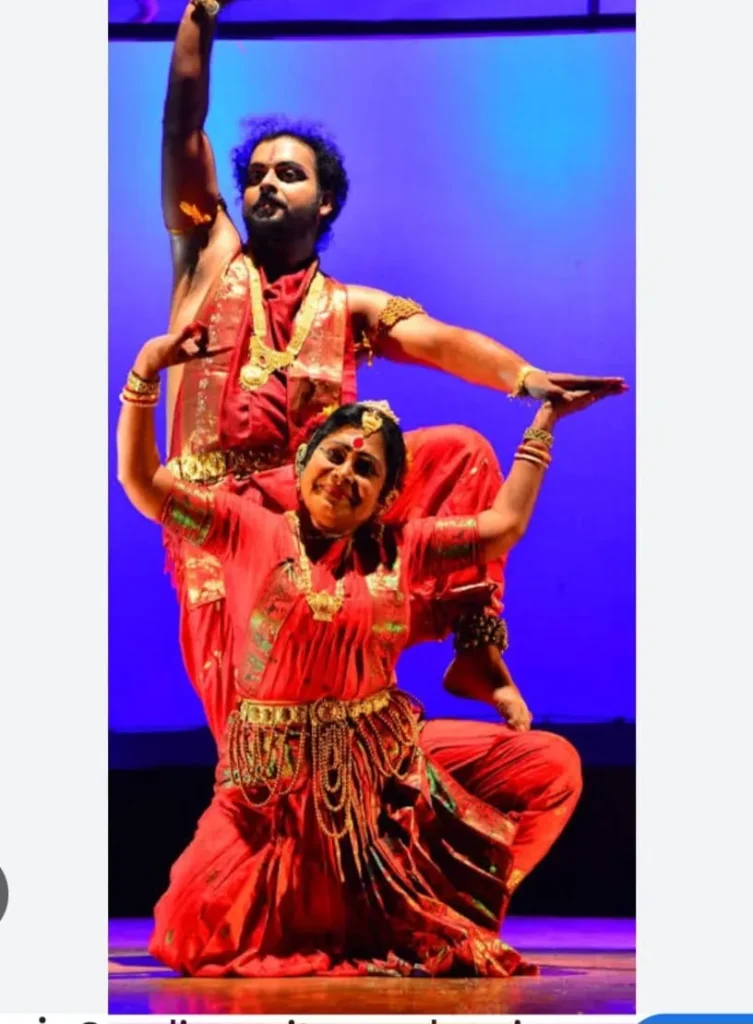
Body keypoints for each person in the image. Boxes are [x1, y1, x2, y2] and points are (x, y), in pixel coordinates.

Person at [158, 0, 625, 902]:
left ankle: (474, 652)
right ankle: (319, 885)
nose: (262, 187)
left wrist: (527, 381)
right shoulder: (206, 260)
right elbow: (183, 126)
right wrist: (197, 18)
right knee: (256, 762)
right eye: (253, 176)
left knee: (454, 451)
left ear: (323, 199)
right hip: (222, 540)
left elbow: (444, 341)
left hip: (314, 532)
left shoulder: (354, 307)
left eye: (285, 175)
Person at [117, 325, 624, 976]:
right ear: (302, 467)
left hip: (379, 777)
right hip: (268, 795)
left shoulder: (403, 548)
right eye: (333, 457)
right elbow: (140, 480)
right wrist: (146, 371)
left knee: (550, 765)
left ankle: (453, 906)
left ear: (385, 499)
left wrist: (545, 422)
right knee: (192, 932)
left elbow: (503, 527)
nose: (343, 474)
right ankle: (377, 907)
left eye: (365, 469)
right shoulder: (243, 526)